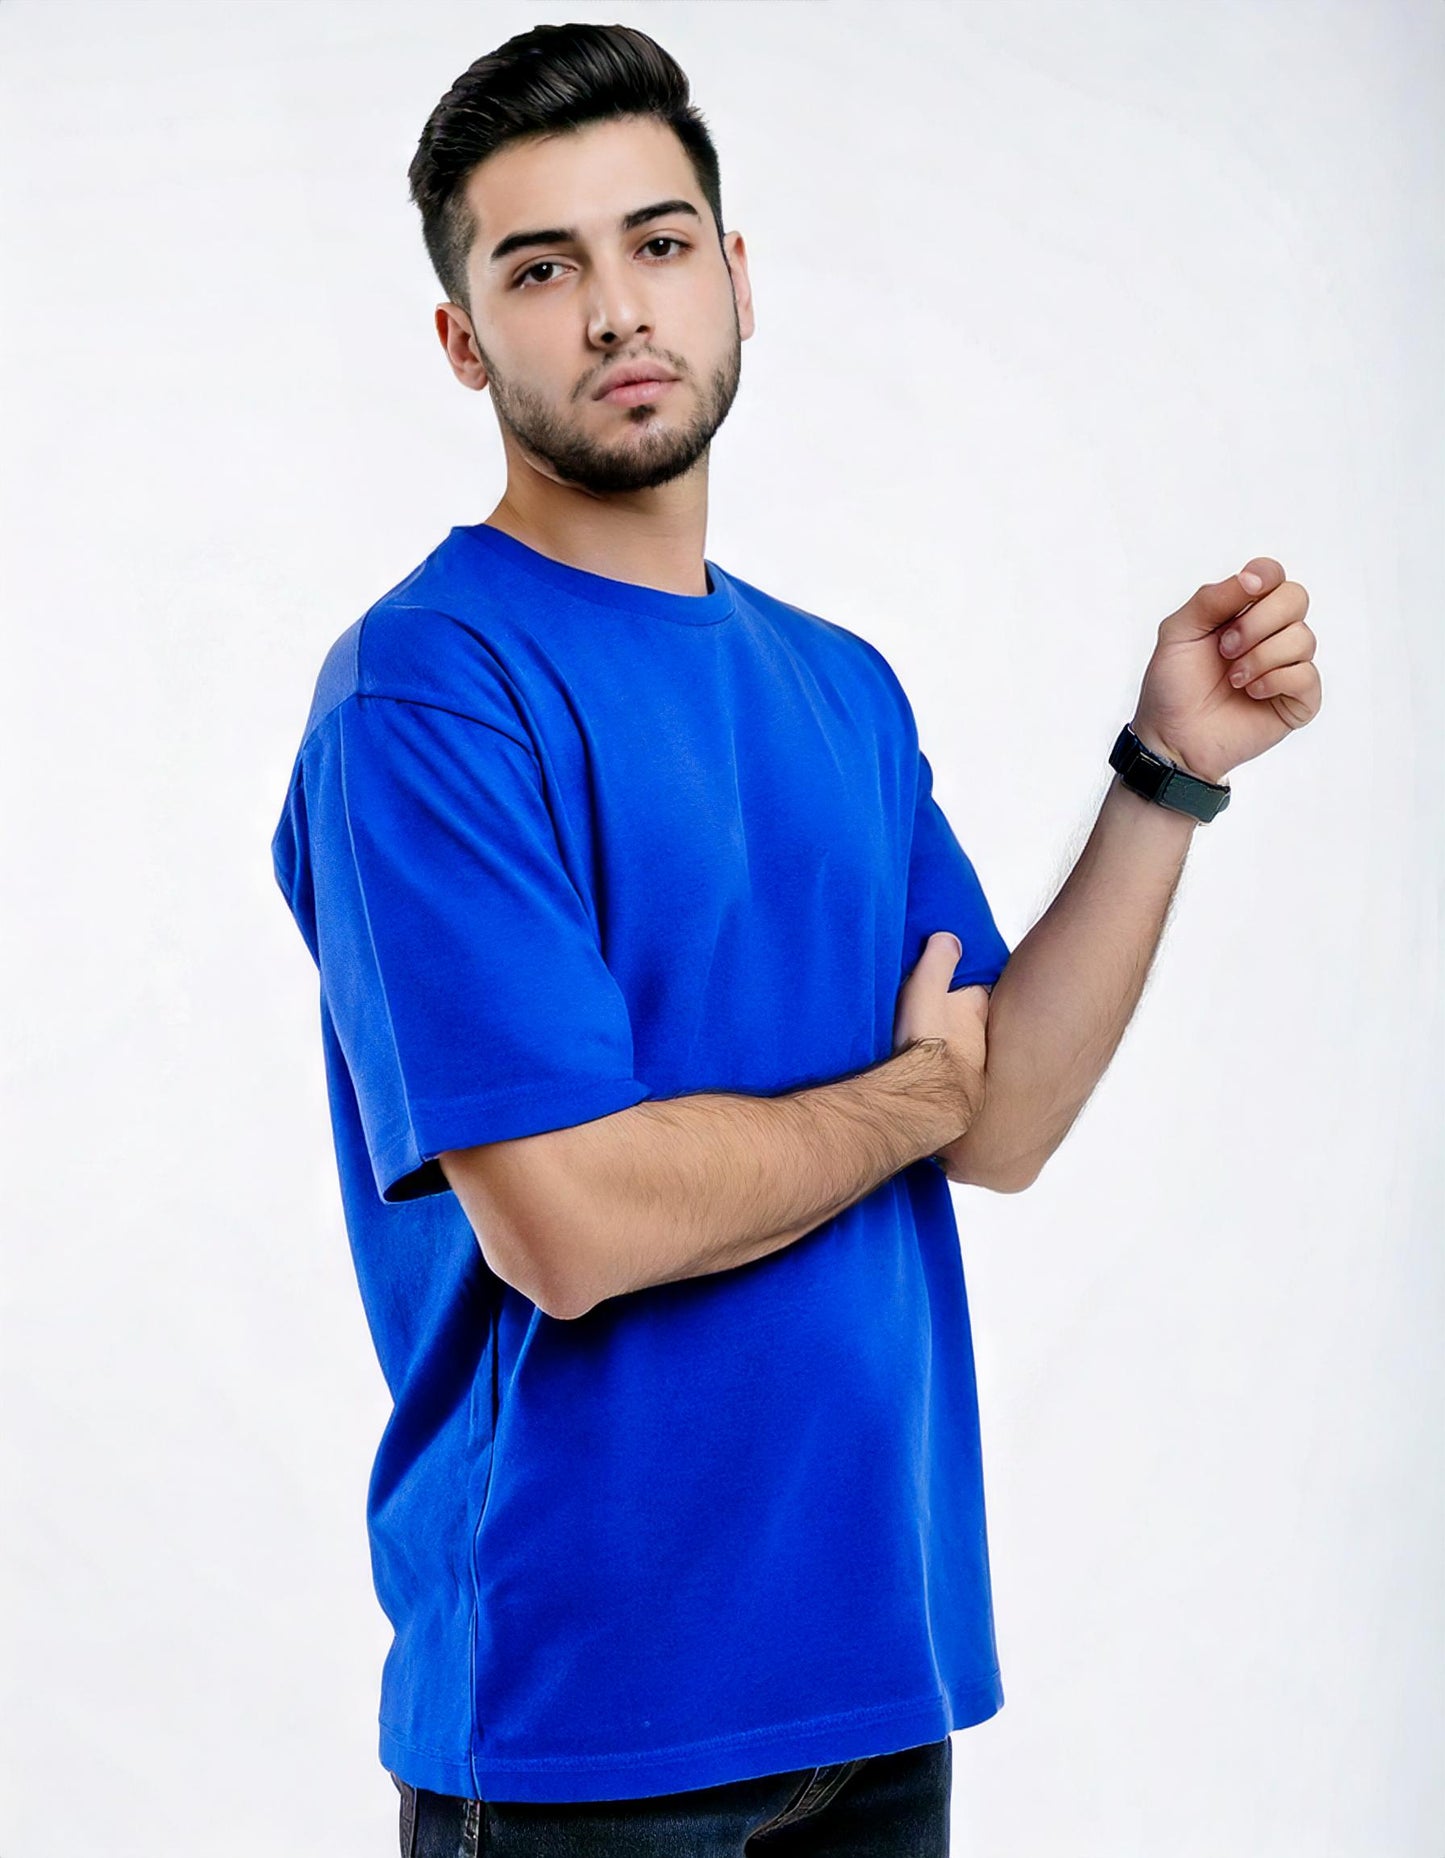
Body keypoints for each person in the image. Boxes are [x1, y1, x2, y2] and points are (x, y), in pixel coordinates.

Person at [268, 22, 1320, 1857]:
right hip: (584, 1727)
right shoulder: (429, 691)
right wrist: (899, 1102)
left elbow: (1002, 1115)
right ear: (462, 340)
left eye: (658, 242)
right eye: (542, 268)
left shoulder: (838, 685)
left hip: (875, 1676)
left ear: (736, 277)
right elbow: (571, 1225)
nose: (618, 308)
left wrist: (1165, 775)